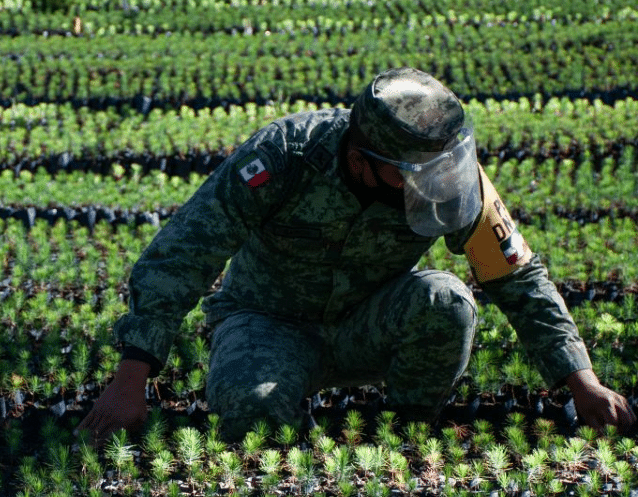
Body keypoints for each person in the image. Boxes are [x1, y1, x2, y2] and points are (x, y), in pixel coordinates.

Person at [78, 67, 634, 443]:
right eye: (412, 174)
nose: (432, 185)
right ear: (363, 157)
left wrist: (579, 378)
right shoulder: (286, 155)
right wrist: (133, 377)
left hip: (371, 320)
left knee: (448, 302)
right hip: (269, 322)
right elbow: (182, 254)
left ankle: (401, 438)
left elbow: (517, 276)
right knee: (251, 416)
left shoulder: (448, 179)